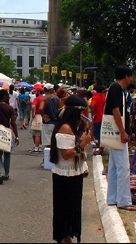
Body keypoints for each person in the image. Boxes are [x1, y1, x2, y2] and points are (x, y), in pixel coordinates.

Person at [50, 94, 92, 243]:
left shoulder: (72, 127)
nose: (83, 116)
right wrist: (83, 144)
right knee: (65, 212)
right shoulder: (65, 128)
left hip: (74, 174)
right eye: (81, 113)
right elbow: (66, 154)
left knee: (72, 210)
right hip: (65, 177)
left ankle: (67, 238)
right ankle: (64, 239)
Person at [105, 66, 136, 211]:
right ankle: (124, 200)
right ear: (127, 76)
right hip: (117, 132)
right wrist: (122, 131)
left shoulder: (115, 88)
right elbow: (116, 110)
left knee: (113, 167)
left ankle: (112, 198)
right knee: (123, 167)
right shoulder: (117, 88)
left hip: (114, 132)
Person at [0, 89, 19, 184]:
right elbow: (13, 123)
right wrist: (17, 136)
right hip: (7, 132)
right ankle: (6, 173)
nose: (9, 97)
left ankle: (0, 172)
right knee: (7, 154)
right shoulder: (10, 108)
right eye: (7, 96)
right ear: (5, 97)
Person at [39, 83, 59, 153]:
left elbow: (41, 108)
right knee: (55, 142)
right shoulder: (56, 98)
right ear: (51, 90)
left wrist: (43, 115)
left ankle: (47, 160)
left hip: (48, 123)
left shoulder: (44, 98)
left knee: (48, 144)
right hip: (56, 122)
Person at [90, 85, 106, 155]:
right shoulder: (105, 97)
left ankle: (101, 149)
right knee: (102, 133)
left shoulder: (95, 97)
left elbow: (92, 105)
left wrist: (93, 114)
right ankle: (101, 146)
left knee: (98, 134)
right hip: (104, 117)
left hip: (97, 117)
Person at [29, 88, 43, 153]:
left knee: (36, 133)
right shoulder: (45, 98)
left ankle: (36, 147)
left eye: (36, 91)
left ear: (38, 91)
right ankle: (39, 146)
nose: (35, 93)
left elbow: (33, 106)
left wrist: (32, 114)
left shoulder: (37, 99)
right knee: (40, 133)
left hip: (37, 116)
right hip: (44, 116)